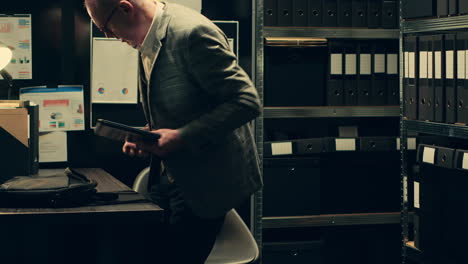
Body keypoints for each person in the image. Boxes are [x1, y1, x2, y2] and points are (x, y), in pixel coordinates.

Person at [85, 0, 262, 263]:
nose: (109, 36)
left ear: (125, 8)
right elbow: (185, 108)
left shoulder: (192, 33)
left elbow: (246, 102)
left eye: (105, 27)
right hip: (168, 175)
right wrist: (148, 135)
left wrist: (181, 137)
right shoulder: (146, 39)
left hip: (205, 180)